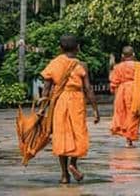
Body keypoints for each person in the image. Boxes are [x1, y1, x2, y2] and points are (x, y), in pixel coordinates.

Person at [40, 34, 100, 184]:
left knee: (62, 136)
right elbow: (88, 88)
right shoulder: (82, 65)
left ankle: (64, 174)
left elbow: (46, 89)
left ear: (60, 48)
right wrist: (95, 109)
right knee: (78, 133)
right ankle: (73, 163)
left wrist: (42, 109)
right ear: (78, 48)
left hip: (59, 101)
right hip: (77, 101)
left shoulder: (54, 63)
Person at [110, 46, 140, 147]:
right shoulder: (139, 66)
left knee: (124, 113)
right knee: (134, 113)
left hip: (122, 90)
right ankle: (129, 138)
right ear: (133, 54)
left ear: (122, 56)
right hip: (135, 89)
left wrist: (114, 91)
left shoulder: (118, 67)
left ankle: (128, 138)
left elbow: (114, 83)